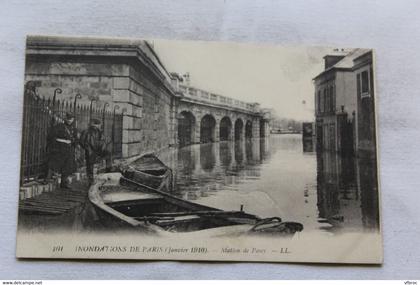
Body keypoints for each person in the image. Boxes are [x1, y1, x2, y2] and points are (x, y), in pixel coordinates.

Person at [46, 112, 78, 189]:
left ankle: (64, 183)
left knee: (67, 167)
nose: (70, 120)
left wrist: (73, 142)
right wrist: (61, 142)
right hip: (59, 149)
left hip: (69, 150)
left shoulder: (74, 129)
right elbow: (51, 136)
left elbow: (76, 139)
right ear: (65, 118)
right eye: (68, 118)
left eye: (71, 119)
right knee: (54, 165)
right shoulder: (59, 126)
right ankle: (47, 179)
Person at [79, 118, 111, 185]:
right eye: (97, 125)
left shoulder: (98, 132)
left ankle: (107, 172)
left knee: (107, 154)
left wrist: (102, 146)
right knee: (90, 165)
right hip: (92, 150)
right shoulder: (87, 131)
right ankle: (91, 180)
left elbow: (104, 140)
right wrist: (87, 147)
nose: (97, 126)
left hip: (96, 150)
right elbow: (81, 141)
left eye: (97, 125)